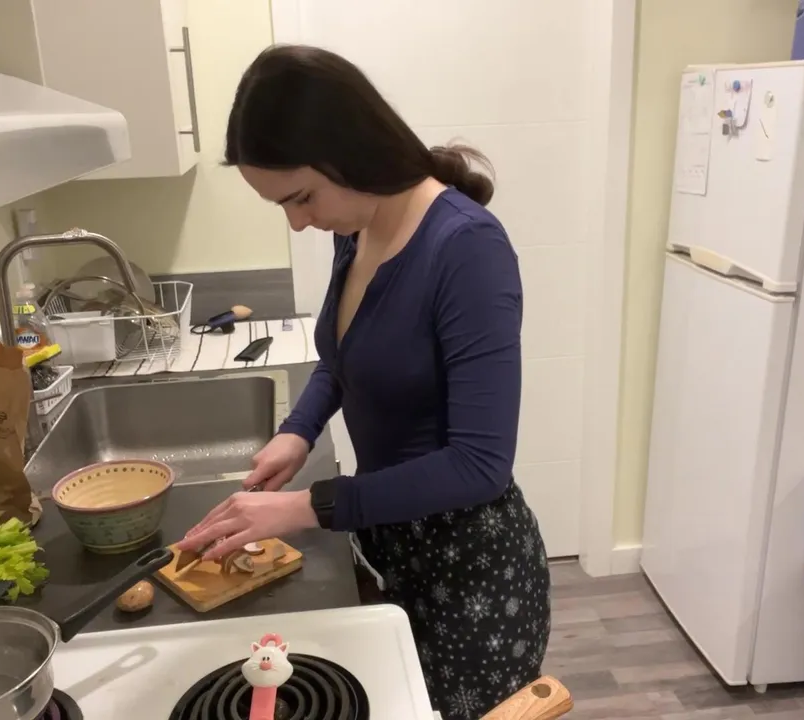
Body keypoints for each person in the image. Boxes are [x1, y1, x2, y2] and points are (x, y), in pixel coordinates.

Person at [176, 44, 551, 720]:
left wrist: (308, 507)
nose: (298, 221)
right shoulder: (356, 229)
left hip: (470, 577)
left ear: (353, 154)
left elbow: (481, 465)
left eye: (301, 198)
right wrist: (298, 430)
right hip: (390, 540)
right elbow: (345, 355)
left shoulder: (467, 248)